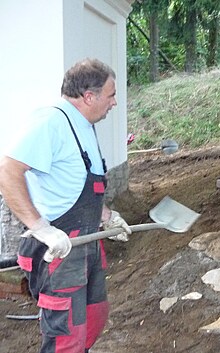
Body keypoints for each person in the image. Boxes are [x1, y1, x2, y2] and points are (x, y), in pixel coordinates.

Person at [0, 58, 132, 353]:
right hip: (59, 251)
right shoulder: (51, 122)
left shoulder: (83, 126)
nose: (114, 103)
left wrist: (108, 217)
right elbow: (7, 171)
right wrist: (41, 228)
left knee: (95, 318)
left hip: (87, 245)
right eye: (110, 95)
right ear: (89, 96)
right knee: (65, 337)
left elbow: (81, 186)